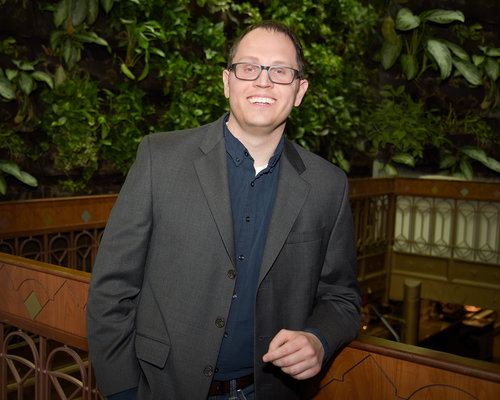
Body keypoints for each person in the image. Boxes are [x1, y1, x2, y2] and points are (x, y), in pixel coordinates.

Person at [86, 20, 361, 400]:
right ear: (227, 81)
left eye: (280, 72)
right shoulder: (159, 159)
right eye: (249, 68)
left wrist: (319, 338)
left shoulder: (328, 185)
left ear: (300, 91)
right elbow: (112, 288)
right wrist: (123, 391)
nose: (263, 82)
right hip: (162, 388)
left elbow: (342, 297)